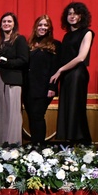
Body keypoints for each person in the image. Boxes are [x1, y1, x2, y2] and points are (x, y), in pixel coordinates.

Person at [50, 2, 94, 145]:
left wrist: (61, 69)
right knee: (66, 107)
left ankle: (81, 140)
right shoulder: (67, 36)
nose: (72, 16)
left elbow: (81, 57)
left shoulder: (87, 32)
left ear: (81, 16)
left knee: (76, 107)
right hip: (67, 75)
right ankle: (68, 140)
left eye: (75, 13)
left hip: (77, 74)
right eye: (70, 13)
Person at [0, 12, 28, 146]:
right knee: (2, 112)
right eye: (4, 21)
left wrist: (4, 62)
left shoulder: (19, 39)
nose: (6, 24)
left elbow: (24, 60)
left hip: (13, 80)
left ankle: (13, 144)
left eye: (9, 21)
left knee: (13, 113)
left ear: (14, 24)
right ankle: (1, 143)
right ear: (0, 25)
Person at [25, 14, 60, 145]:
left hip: (44, 87)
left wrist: (52, 87)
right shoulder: (29, 44)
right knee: (31, 117)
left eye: (46, 25)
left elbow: (55, 68)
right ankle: (35, 144)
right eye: (40, 25)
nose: (43, 27)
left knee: (38, 116)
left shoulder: (55, 45)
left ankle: (39, 146)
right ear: (36, 27)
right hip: (29, 87)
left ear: (50, 28)